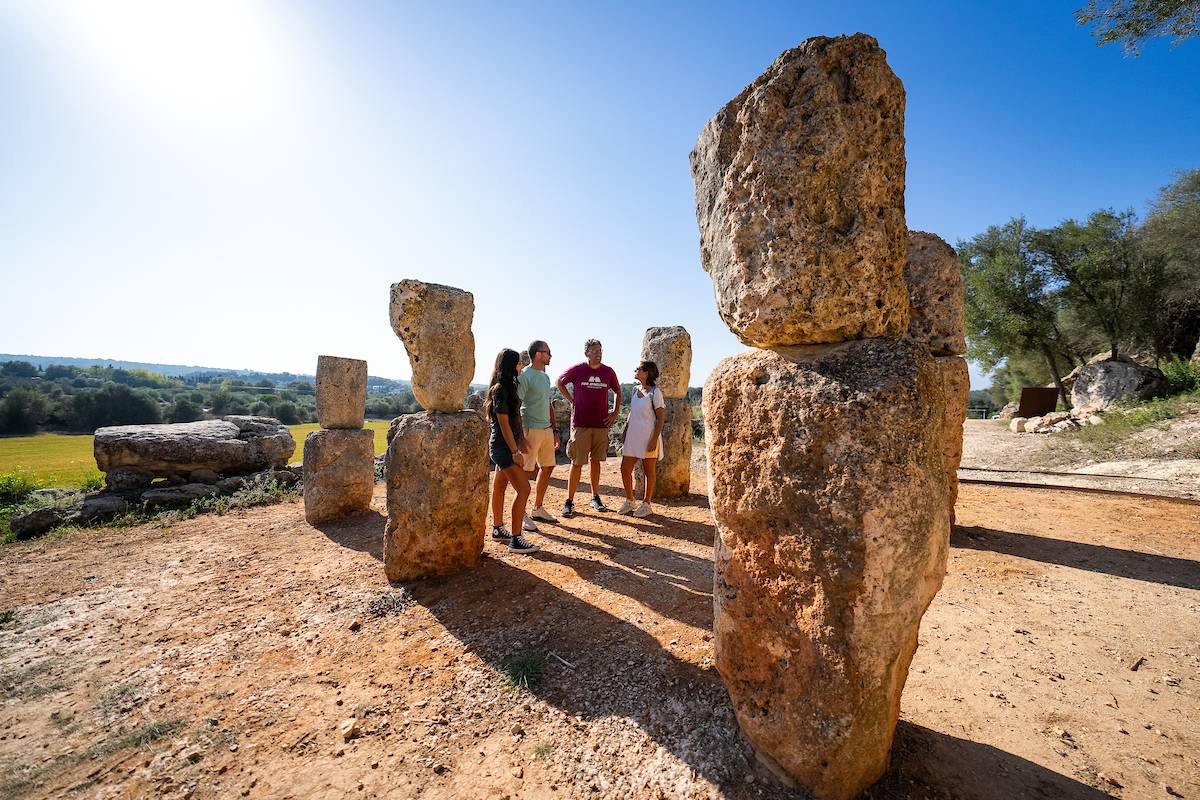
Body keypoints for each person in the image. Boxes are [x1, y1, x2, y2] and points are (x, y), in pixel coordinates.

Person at [556, 338, 621, 517]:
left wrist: (614, 413)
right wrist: (572, 400)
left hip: (601, 424)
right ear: (586, 354)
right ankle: (569, 501)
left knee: (596, 461)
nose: (599, 354)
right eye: (595, 351)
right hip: (581, 424)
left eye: (600, 351)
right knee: (576, 462)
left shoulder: (608, 372)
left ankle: (595, 497)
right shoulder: (578, 370)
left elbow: (617, 391)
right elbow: (559, 382)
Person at [485, 348, 539, 553]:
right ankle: (516, 539)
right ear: (510, 365)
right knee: (524, 489)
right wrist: (514, 450)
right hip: (503, 448)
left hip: (506, 446)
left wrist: (522, 439)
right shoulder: (500, 389)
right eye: (518, 363)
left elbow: (515, 419)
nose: (522, 366)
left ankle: (498, 529)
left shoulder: (509, 386)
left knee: (499, 487)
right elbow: (503, 424)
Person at [518, 340, 559, 530]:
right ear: (537, 354)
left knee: (548, 467)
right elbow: (517, 405)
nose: (550, 355)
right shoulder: (525, 376)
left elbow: (549, 403)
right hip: (530, 429)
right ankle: (521, 513)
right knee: (526, 472)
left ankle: (538, 508)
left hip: (546, 430)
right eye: (547, 352)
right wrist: (520, 434)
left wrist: (555, 429)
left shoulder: (545, 376)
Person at [619, 360, 666, 517]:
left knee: (649, 471)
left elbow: (660, 418)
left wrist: (654, 440)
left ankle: (647, 504)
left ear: (646, 373)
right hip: (633, 436)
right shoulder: (634, 390)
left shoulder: (655, 392)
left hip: (648, 437)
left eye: (638, 368)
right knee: (625, 468)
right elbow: (632, 414)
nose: (635, 370)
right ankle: (630, 500)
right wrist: (625, 432)